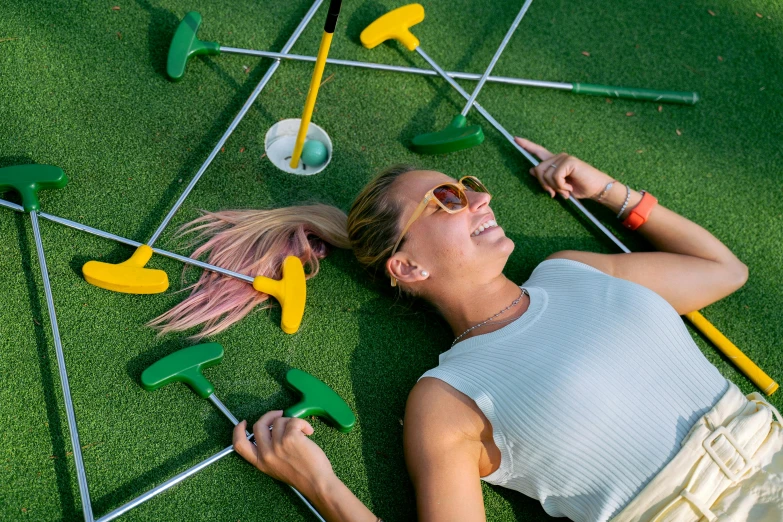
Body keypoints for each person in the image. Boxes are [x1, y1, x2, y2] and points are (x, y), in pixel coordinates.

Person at [150, 138, 782, 522]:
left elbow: (722, 270)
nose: (479, 199)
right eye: (449, 200)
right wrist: (316, 480)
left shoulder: (570, 270)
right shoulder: (446, 399)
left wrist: (610, 191)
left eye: (471, 189)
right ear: (409, 265)